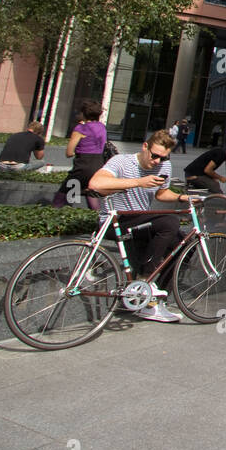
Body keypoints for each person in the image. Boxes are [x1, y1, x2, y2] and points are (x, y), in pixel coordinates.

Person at [88, 130, 190, 323]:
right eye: (155, 156)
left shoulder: (164, 166)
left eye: (163, 157)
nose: (158, 161)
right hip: (115, 221)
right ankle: (145, 281)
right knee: (169, 221)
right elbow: (95, 183)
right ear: (145, 147)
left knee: (183, 241)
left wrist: (182, 197)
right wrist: (138, 182)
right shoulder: (122, 162)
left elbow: (161, 194)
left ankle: (152, 304)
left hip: (142, 221)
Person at [53, 100, 107, 209]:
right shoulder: (102, 127)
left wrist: (77, 150)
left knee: (60, 200)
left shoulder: (80, 129)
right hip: (98, 167)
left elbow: (69, 153)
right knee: (91, 195)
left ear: (83, 113)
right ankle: (98, 223)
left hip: (82, 167)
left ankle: (66, 217)